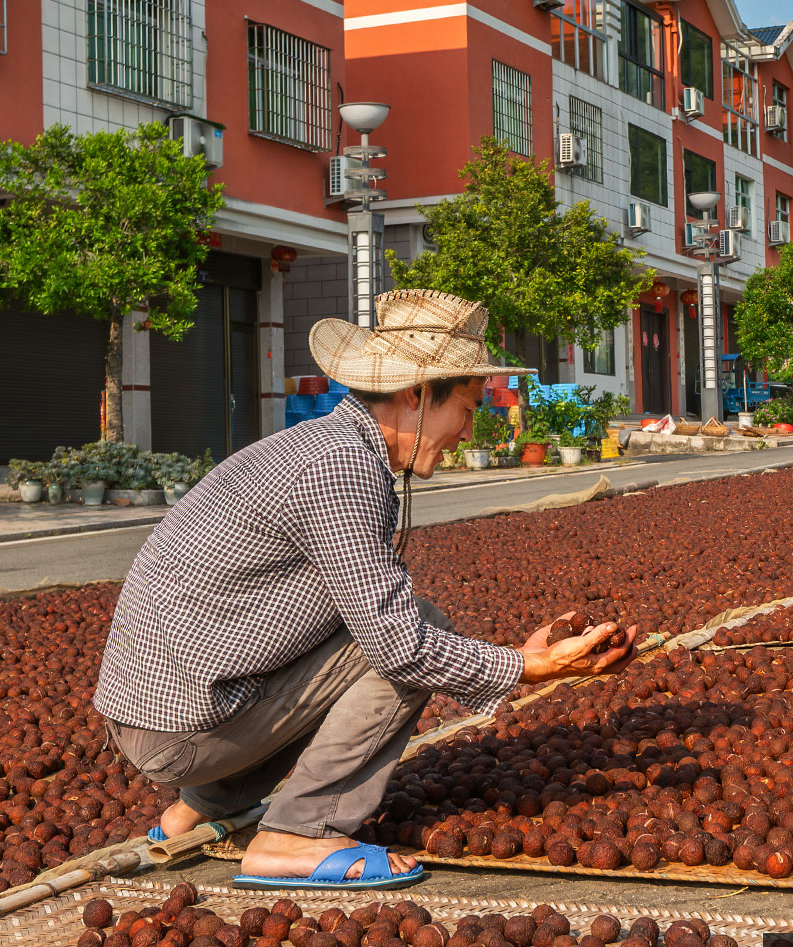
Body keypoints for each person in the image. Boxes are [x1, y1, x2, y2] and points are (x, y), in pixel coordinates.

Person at [94, 290, 635, 891]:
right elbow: (400, 645)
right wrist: (529, 668)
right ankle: (298, 833)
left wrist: (515, 658)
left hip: (166, 714)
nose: (468, 430)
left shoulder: (327, 447)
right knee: (412, 639)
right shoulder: (342, 467)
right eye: (468, 407)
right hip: (182, 732)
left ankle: (199, 807)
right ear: (416, 395)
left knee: (387, 627)